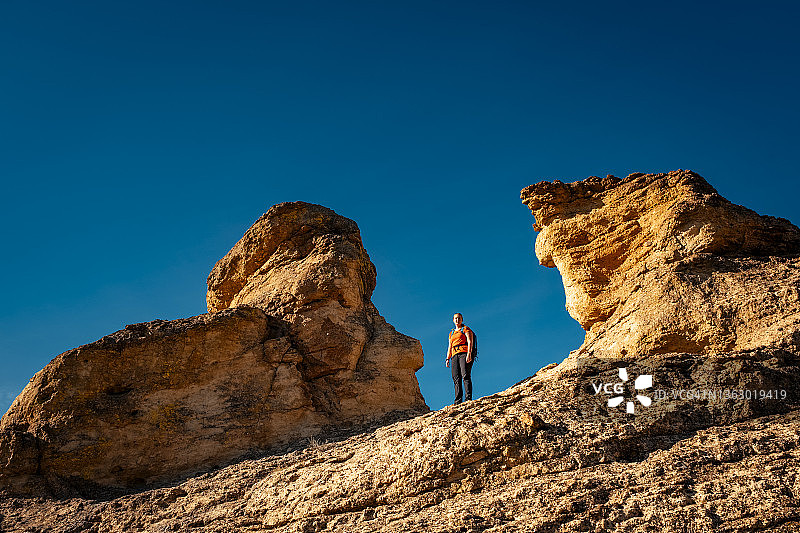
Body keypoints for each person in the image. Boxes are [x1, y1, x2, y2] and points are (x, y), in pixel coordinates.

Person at [446, 312, 474, 404]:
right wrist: (447, 358)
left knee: (465, 375)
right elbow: (449, 346)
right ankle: (458, 401)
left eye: (459, 318)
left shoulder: (465, 329)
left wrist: (469, 354)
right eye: (456, 318)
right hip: (454, 355)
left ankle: (468, 398)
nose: (457, 320)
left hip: (464, 353)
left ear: (462, 320)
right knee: (456, 377)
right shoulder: (451, 333)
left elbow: (470, 341)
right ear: (453, 320)